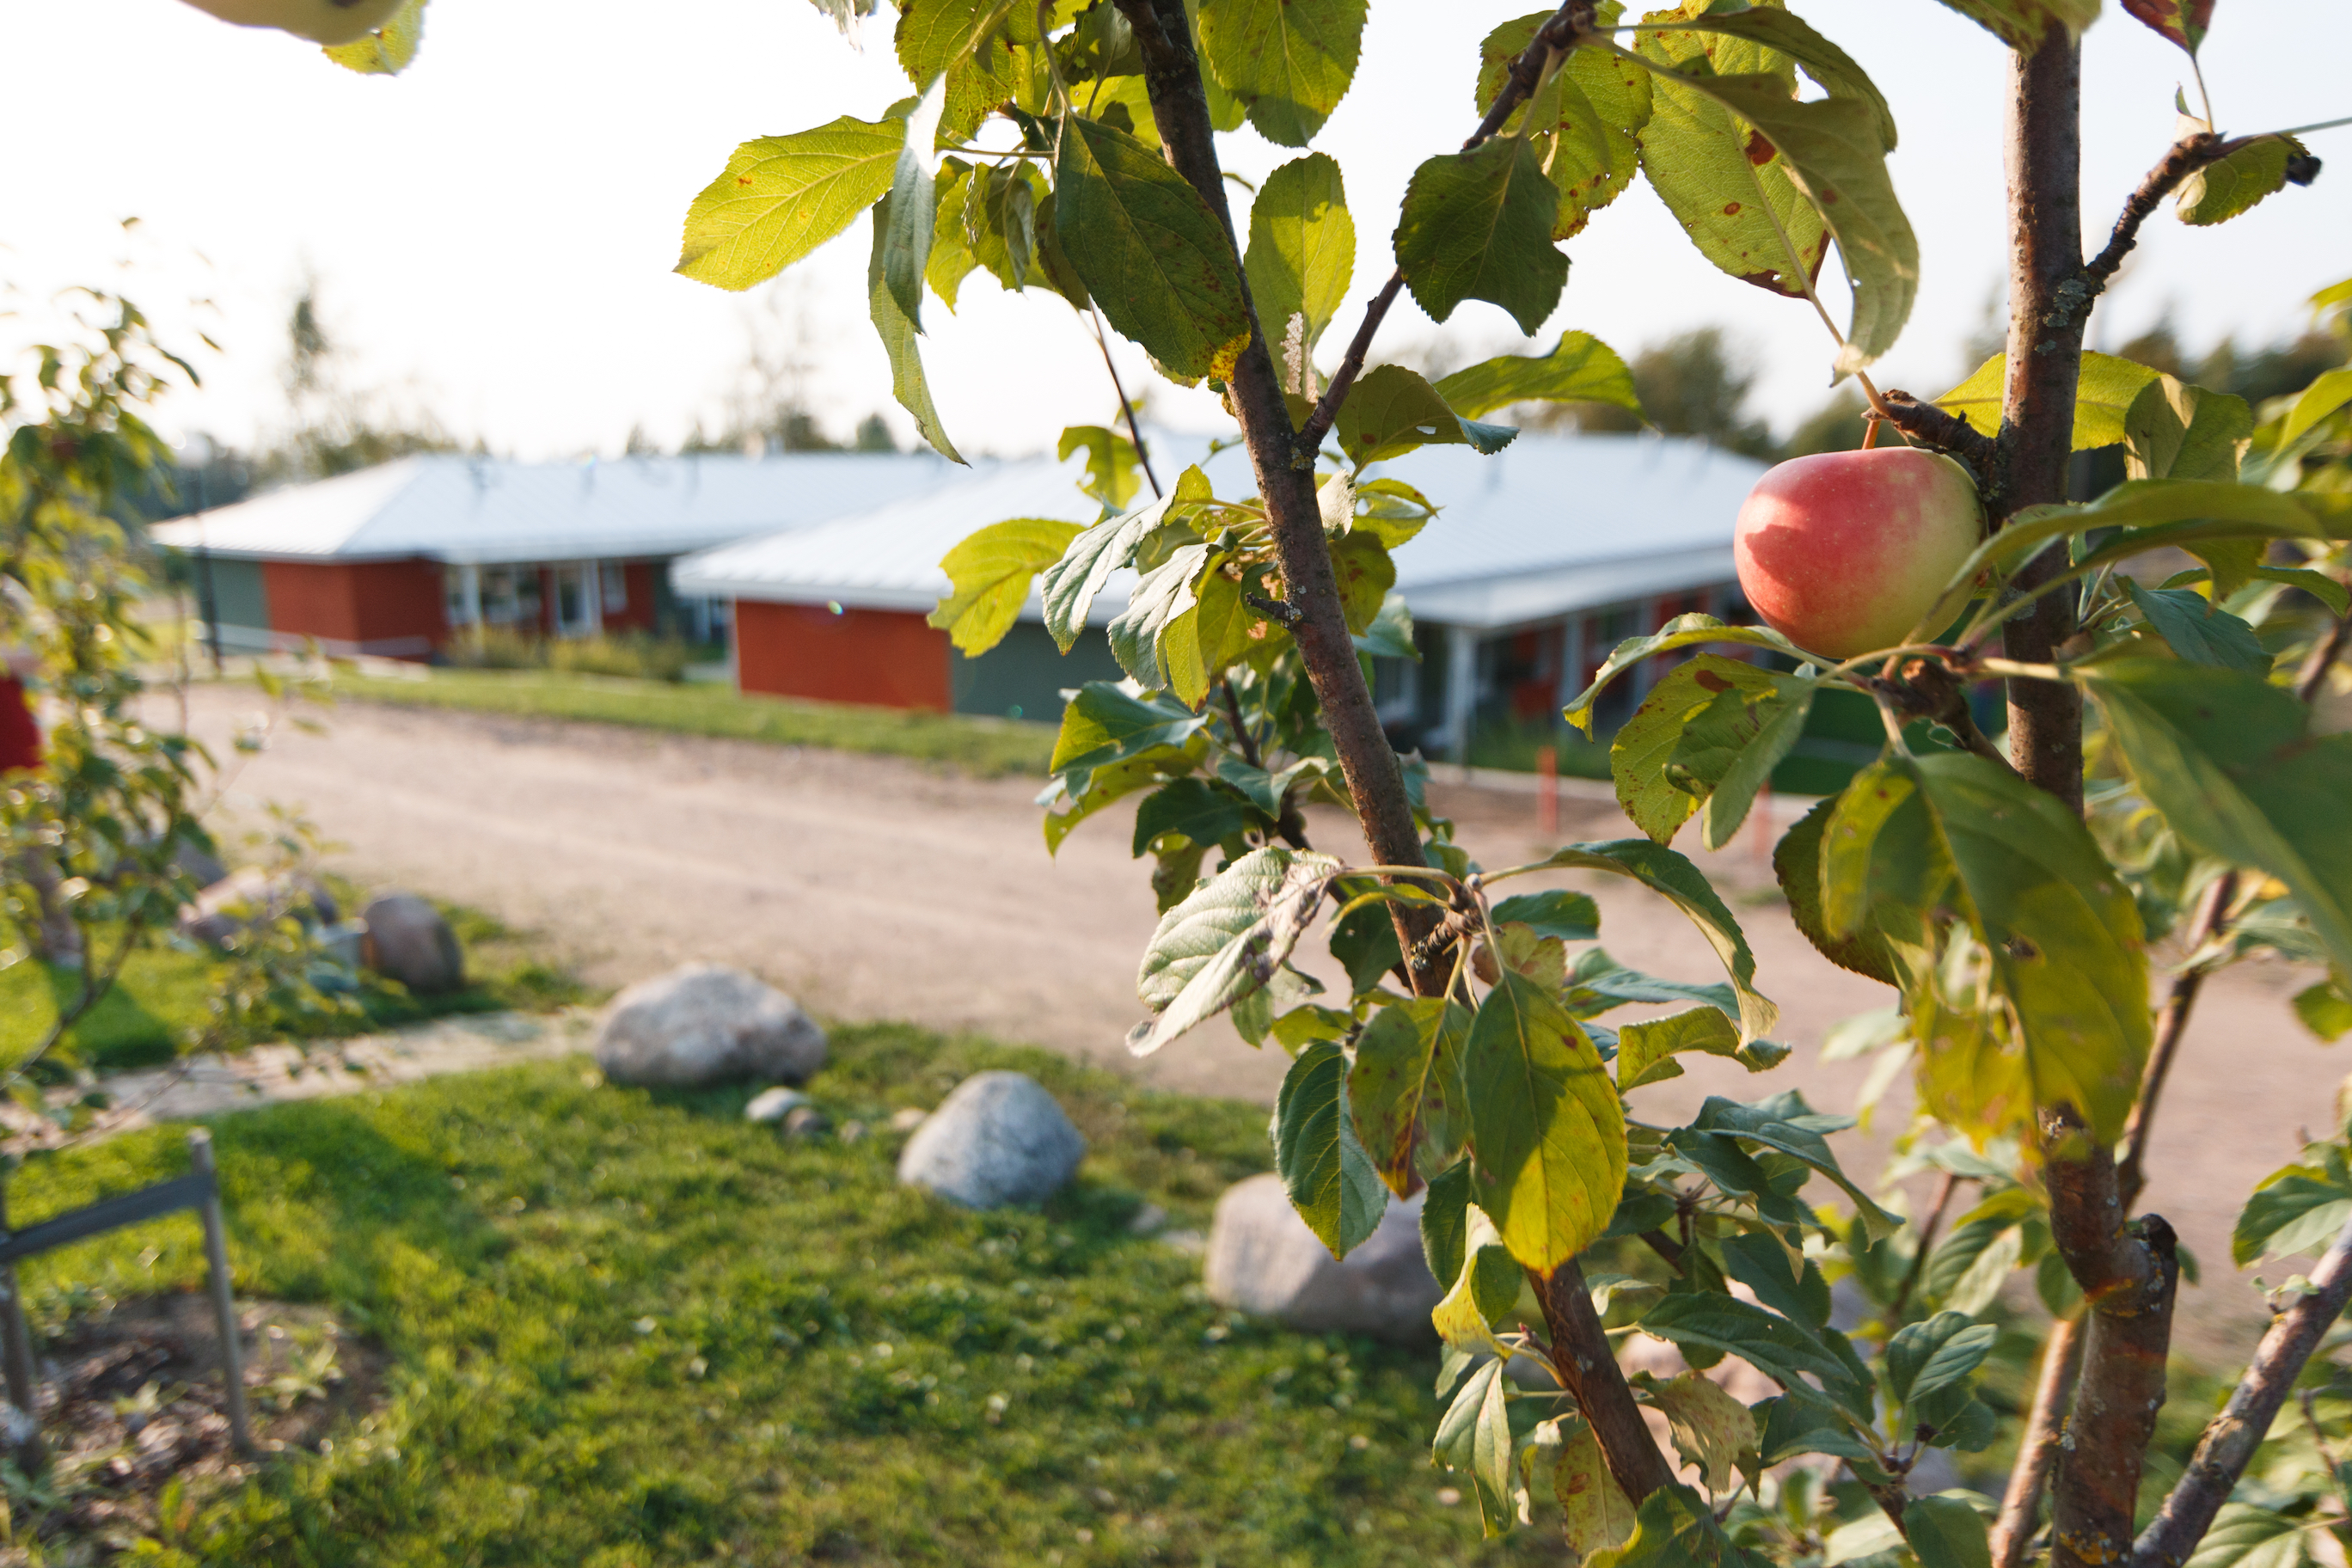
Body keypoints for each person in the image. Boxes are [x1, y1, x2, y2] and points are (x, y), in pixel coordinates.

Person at [0, 639, 80, 967]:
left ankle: (66, 943)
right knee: (9, 867)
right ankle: (36, 939)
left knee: (35, 861)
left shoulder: (10, 607)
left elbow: (41, 655)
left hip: (21, 771)